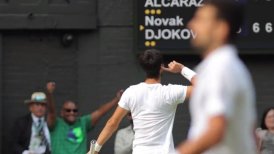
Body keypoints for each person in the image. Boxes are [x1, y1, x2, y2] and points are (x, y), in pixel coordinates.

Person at [177, 0, 257, 154]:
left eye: (201, 19)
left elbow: (216, 129)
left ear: (221, 29)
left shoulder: (220, 67)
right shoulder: (226, 65)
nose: (191, 25)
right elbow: (251, 132)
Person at [91, 49, 196, 154]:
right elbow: (204, 86)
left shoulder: (131, 92)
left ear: (144, 68)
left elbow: (112, 123)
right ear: (161, 67)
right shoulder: (170, 92)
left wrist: (94, 151)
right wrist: (182, 69)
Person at [46, 82, 123, 154]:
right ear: (62, 113)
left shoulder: (83, 122)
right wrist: (49, 94)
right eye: (68, 110)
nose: (71, 113)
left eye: (74, 110)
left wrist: (117, 99)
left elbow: (100, 112)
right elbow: (51, 112)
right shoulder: (56, 124)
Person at [12, 82, 55, 154]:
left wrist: (49, 93)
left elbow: (52, 112)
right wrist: (25, 153)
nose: (40, 108)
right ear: (30, 107)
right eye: (37, 104)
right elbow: (13, 144)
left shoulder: (48, 121)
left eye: (43, 105)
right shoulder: (21, 122)